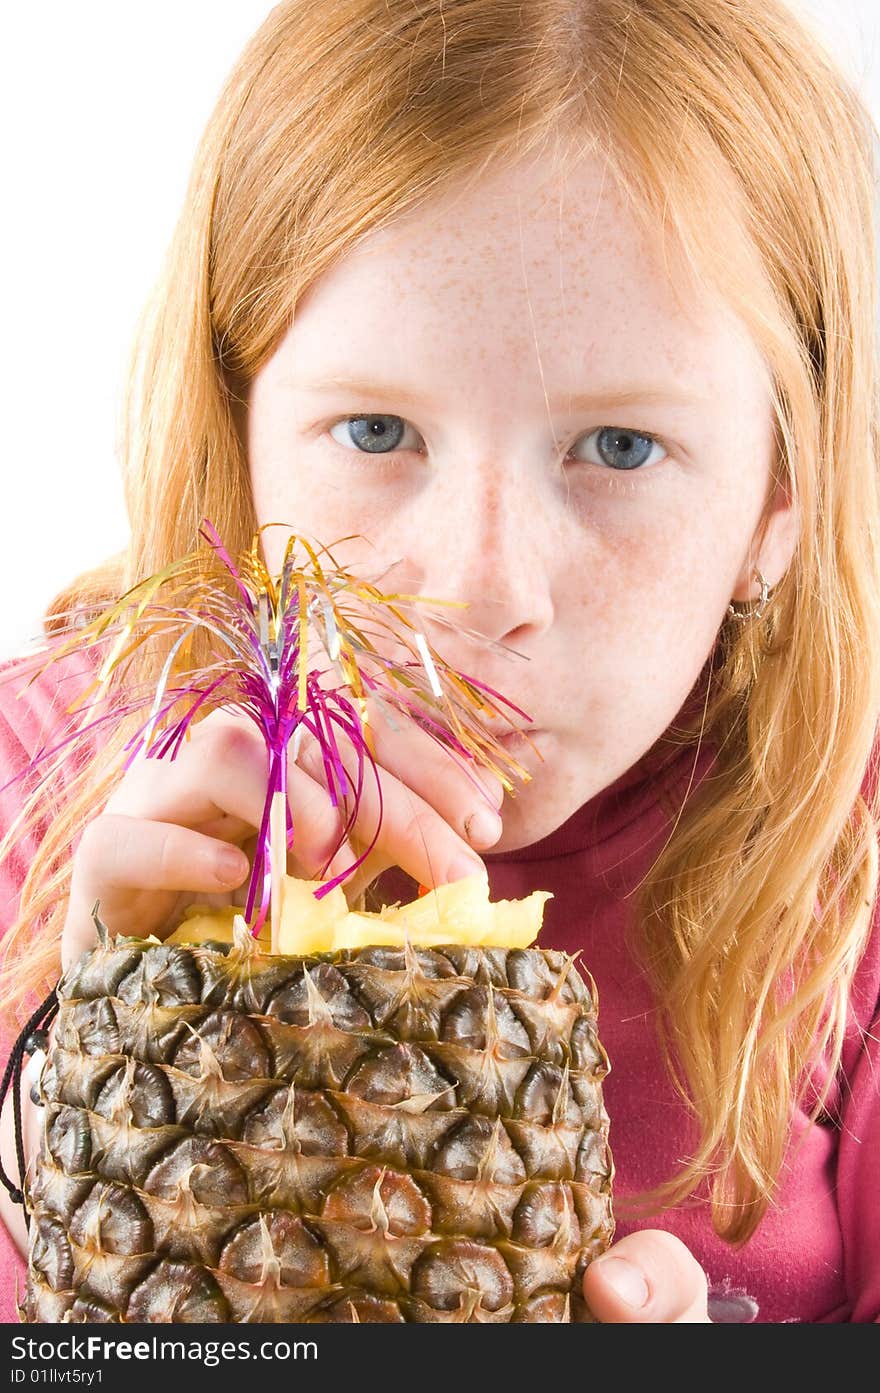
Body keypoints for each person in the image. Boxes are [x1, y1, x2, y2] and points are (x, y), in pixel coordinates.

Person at [1, 0, 879, 1323]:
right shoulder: (37, 780)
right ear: (241, 428)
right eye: (374, 429)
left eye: (620, 448)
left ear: (781, 499)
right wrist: (74, 1108)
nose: (480, 590)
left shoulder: (850, 865)